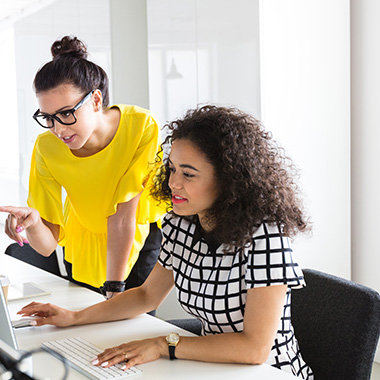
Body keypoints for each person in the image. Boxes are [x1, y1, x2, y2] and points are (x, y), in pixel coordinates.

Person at [16, 105, 314, 379]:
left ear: (228, 180)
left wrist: (163, 345)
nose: (173, 183)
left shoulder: (264, 236)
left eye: (188, 174)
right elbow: (147, 296)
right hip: (213, 368)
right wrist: (74, 317)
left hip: (269, 372)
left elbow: (254, 349)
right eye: (172, 169)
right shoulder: (181, 223)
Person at [0, 35, 167, 298]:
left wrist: (113, 289)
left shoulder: (141, 126)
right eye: (48, 118)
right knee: (88, 325)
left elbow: (123, 219)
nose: (58, 129)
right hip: (84, 242)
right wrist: (32, 223)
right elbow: (46, 245)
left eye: (66, 113)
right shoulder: (46, 148)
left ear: (96, 100)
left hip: (136, 239)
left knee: (130, 328)